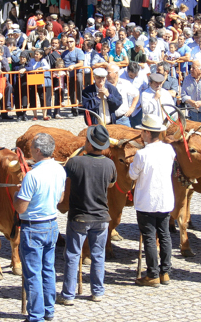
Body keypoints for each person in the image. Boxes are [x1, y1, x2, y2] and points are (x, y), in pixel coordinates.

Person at [58, 124, 117, 305]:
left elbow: (63, 176)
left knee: (73, 255)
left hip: (79, 217)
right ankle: (97, 291)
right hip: (101, 217)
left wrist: (74, 156)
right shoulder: (109, 164)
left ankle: (68, 295)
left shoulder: (75, 163)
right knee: (98, 255)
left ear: (90, 144)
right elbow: (111, 185)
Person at [13, 133, 66, 322]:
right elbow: (60, 199)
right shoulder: (60, 170)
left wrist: (16, 194)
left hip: (33, 227)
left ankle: (36, 315)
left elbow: (20, 208)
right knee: (48, 270)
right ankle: (48, 310)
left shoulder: (32, 175)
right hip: (52, 224)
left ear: (37, 151)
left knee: (33, 274)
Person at [129, 113, 175, 287]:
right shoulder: (169, 150)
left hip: (147, 201)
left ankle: (152, 274)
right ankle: (165, 272)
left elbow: (132, 174)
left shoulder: (142, 154)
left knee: (149, 237)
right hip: (164, 200)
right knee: (164, 235)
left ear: (147, 133)